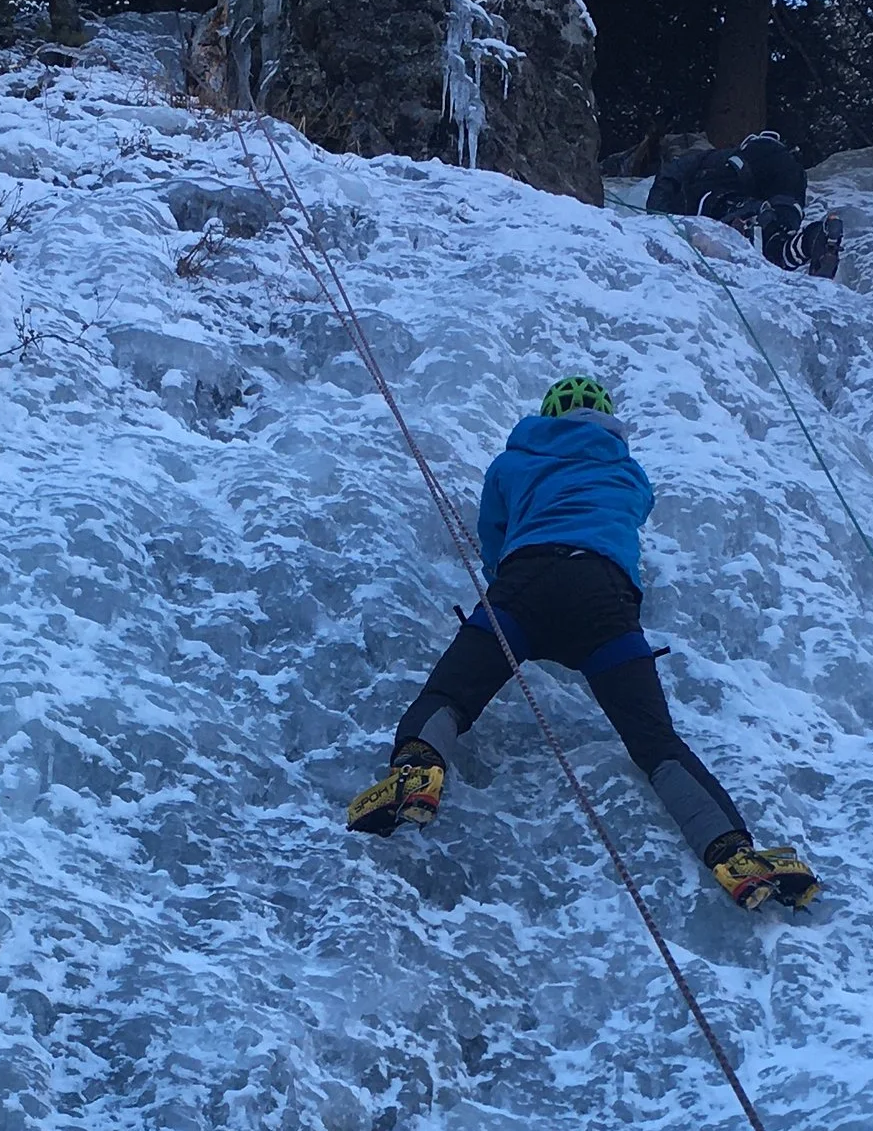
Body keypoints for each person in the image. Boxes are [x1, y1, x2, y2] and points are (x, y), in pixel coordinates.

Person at [345, 374, 822, 910]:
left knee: (451, 694)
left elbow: (494, 532)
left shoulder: (512, 462)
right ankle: (735, 855)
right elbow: (633, 512)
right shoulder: (627, 471)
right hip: (603, 599)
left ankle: (414, 775)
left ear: (548, 416)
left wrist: (499, 577)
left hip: (522, 588)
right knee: (656, 742)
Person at [645, 131, 841, 276]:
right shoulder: (785, 160)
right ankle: (813, 239)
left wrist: (657, 217)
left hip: (751, 165)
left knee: (709, 198)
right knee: (777, 246)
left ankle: (742, 212)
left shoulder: (705, 157)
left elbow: (668, 174)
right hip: (793, 178)